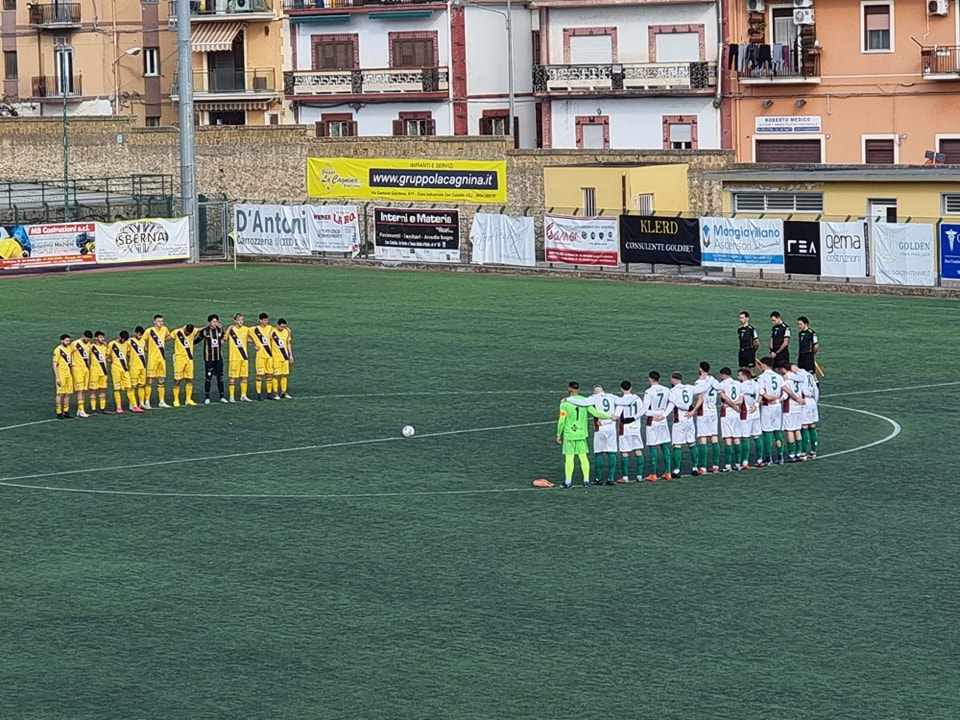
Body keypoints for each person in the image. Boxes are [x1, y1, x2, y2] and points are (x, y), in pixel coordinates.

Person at [556, 381, 612, 488]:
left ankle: (568, 482)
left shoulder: (564, 404)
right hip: (581, 434)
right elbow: (596, 413)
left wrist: (559, 434)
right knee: (583, 457)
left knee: (569, 458)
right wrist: (610, 416)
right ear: (578, 389)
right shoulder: (585, 401)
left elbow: (562, 420)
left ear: (569, 389)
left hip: (569, 435)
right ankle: (586, 480)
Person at [692, 361, 721, 474]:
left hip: (703, 412)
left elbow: (701, 398)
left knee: (702, 438)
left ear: (700, 369)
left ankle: (703, 467)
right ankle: (716, 465)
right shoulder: (714, 380)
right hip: (713, 410)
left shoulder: (699, 382)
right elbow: (720, 391)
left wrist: (693, 410)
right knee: (714, 437)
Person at [614, 380, 646, 483]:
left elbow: (616, 416)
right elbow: (643, 410)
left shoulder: (621, 401)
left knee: (625, 452)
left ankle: (625, 477)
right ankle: (640, 475)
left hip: (625, 429)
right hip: (636, 428)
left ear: (621, 389)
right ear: (631, 388)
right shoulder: (637, 399)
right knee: (638, 450)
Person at [642, 371, 673, 481]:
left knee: (653, 447)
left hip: (652, 422)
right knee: (664, 446)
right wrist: (663, 415)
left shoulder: (648, 392)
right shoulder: (666, 390)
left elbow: (645, 411)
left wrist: (656, 413)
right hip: (662, 421)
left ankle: (653, 474)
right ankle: (668, 472)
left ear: (650, 379)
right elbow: (672, 403)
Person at [667, 372, 698, 479]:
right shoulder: (689, 388)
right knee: (692, 443)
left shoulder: (673, 391)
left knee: (677, 445)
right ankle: (695, 467)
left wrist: (663, 416)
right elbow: (701, 390)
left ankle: (676, 470)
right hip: (690, 419)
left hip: (679, 420)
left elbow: (671, 405)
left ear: (674, 380)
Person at [757, 356, 785, 465]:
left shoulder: (762, 378)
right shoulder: (779, 377)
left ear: (764, 365)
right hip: (777, 407)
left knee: (767, 432)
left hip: (767, 407)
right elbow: (785, 391)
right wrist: (778, 398)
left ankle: (769, 458)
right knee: (777, 431)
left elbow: (762, 393)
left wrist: (771, 398)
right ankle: (780, 456)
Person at [196, 314, 228, 404]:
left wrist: (223, 340)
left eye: (216, 321)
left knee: (220, 378)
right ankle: (207, 397)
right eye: (213, 321)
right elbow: (197, 340)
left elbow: (223, 337)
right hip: (209, 358)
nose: (215, 323)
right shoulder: (205, 331)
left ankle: (222, 396)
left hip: (219, 358)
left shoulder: (220, 329)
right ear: (209, 322)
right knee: (208, 378)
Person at [777, 361, 807, 462]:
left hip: (789, 407)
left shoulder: (785, 379)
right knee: (797, 429)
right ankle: (799, 452)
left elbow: (785, 395)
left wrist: (777, 400)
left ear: (783, 368)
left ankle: (791, 454)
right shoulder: (797, 378)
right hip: (798, 407)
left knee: (789, 430)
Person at [589, 385, 618, 485]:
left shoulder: (593, 398)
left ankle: (598, 478)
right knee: (612, 453)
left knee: (598, 453)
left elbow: (582, 402)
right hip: (611, 428)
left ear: (594, 392)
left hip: (600, 428)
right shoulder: (611, 396)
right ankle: (611, 478)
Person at [108, 331, 143, 414]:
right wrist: (113, 362)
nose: (125, 341)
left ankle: (135, 406)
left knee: (129, 387)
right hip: (116, 369)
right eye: (124, 339)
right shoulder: (112, 344)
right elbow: (107, 356)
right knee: (117, 388)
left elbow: (128, 353)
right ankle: (119, 407)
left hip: (125, 369)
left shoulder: (127, 343)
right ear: (121, 338)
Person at [717, 367, 744, 472]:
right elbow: (741, 400)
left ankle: (728, 465)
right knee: (736, 438)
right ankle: (738, 463)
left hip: (727, 414)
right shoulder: (738, 384)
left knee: (728, 439)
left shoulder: (723, 384)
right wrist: (735, 406)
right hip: (736, 414)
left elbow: (724, 397)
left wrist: (730, 405)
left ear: (724, 375)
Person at [737, 367, 763, 469]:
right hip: (755, 413)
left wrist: (729, 404)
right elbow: (762, 394)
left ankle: (745, 461)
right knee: (756, 437)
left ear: (743, 376)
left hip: (746, 414)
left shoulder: (741, 386)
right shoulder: (756, 384)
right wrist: (756, 404)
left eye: (739, 375)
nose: (738, 377)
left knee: (745, 438)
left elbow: (740, 400)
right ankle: (760, 460)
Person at [144, 314, 171, 408]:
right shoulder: (149, 331)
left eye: (162, 321)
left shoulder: (165, 329)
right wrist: (147, 350)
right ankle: (147, 401)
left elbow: (167, 337)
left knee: (161, 379)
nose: (161, 323)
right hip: (152, 359)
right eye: (159, 321)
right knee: (150, 380)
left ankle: (161, 401)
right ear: (154, 321)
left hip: (161, 359)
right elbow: (142, 341)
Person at [251, 312, 279, 401]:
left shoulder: (270, 328)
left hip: (269, 356)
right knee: (259, 375)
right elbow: (243, 336)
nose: (266, 322)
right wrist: (254, 344)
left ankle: (269, 393)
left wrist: (287, 329)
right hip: (260, 356)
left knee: (269, 375)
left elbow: (279, 330)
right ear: (260, 320)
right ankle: (259, 394)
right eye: (265, 320)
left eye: (267, 320)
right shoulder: (254, 329)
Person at [170, 323, 198, 407]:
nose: (188, 334)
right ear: (184, 328)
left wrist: (210, 325)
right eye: (187, 332)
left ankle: (188, 399)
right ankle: (176, 400)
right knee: (177, 380)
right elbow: (167, 338)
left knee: (189, 379)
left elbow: (200, 329)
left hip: (189, 360)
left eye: (189, 333)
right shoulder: (177, 332)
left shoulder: (193, 332)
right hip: (179, 360)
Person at [227, 313, 252, 402]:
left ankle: (243, 396)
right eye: (239, 320)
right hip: (234, 358)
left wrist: (256, 344)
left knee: (244, 377)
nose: (241, 322)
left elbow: (252, 338)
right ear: (235, 321)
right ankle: (231, 397)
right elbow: (224, 338)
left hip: (244, 357)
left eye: (242, 320)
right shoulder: (231, 329)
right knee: (232, 378)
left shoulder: (246, 329)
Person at [797, 362, 820, 458]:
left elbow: (803, 390)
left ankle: (803, 452)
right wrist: (815, 400)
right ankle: (814, 451)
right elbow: (816, 390)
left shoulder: (800, 375)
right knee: (812, 426)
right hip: (813, 403)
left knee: (804, 427)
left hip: (806, 402)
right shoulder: (810, 375)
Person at [70, 330, 94, 419]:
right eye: (87, 339)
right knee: (80, 390)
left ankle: (80, 410)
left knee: (84, 390)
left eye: (89, 339)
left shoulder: (88, 344)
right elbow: (68, 354)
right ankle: (81, 410)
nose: (88, 340)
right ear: (83, 336)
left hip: (85, 369)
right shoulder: (75, 344)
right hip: (77, 369)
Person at [271, 318, 294, 399]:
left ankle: (284, 392)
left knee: (284, 374)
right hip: (275, 357)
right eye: (281, 327)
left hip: (285, 357)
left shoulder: (286, 331)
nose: (282, 328)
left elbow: (288, 343)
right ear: (277, 325)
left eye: (284, 327)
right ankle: (275, 393)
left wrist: (290, 355)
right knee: (275, 375)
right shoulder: (272, 332)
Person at [88, 331, 111, 414]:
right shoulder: (92, 347)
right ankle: (93, 409)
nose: (102, 339)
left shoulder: (105, 347)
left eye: (103, 337)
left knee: (103, 390)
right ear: (96, 338)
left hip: (103, 371)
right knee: (93, 390)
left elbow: (107, 357)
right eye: (100, 337)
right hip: (94, 372)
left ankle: (102, 408)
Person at [53, 333, 75, 419]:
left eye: (69, 340)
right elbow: (54, 364)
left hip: (68, 374)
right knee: (60, 394)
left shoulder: (69, 348)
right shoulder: (58, 350)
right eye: (66, 340)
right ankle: (59, 412)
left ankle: (66, 411)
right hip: (61, 374)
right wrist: (57, 377)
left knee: (68, 393)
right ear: (61, 341)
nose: (68, 342)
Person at [129, 327, 149, 409]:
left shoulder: (143, 341)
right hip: (134, 367)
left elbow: (145, 350)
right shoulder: (130, 341)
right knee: (133, 386)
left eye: (141, 335)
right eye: (138, 334)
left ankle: (141, 403)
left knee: (141, 385)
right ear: (135, 333)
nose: (140, 336)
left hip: (143, 366)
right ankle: (132, 404)